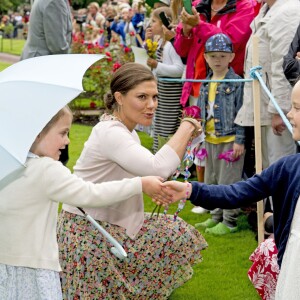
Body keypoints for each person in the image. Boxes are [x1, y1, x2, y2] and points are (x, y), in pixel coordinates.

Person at [58, 63, 207, 299]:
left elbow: (152, 172)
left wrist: (150, 186)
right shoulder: (110, 132)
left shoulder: (127, 132)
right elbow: (158, 167)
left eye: (155, 97)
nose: (151, 105)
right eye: (142, 97)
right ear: (119, 97)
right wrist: (187, 125)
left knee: (174, 233)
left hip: (110, 225)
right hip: (88, 230)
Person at [0, 106, 172, 300]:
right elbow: (92, 193)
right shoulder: (47, 169)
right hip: (35, 268)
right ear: (39, 133)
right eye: (63, 133)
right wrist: (139, 183)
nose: (67, 141)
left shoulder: (7, 166)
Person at [162, 78, 300, 299]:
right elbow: (237, 193)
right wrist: (190, 190)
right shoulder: (288, 168)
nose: (290, 114)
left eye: (297, 108)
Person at [235, 0, 300, 170]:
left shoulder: (288, 10)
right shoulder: (267, 10)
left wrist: (280, 109)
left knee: (280, 167)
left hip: (280, 110)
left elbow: (283, 64)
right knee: (267, 169)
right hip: (264, 106)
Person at [193, 33, 245, 235]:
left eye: (222, 56)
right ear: (205, 57)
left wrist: (240, 140)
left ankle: (229, 221)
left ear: (231, 57)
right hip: (210, 139)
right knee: (212, 180)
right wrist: (198, 138)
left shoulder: (236, 82)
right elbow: (200, 112)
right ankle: (215, 216)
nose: (217, 60)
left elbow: (242, 113)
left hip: (230, 140)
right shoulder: (206, 82)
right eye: (213, 56)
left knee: (228, 181)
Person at [20, 0, 73, 166]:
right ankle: (53, 165)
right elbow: (58, 46)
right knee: (51, 121)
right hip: (45, 69)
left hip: (39, 67)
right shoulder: (54, 2)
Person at [146, 7, 184, 152]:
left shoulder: (170, 46)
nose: (151, 25)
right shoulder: (161, 42)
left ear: (163, 23)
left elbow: (179, 70)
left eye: (154, 21)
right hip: (163, 92)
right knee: (160, 126)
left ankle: (167, 158)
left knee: (167, 127)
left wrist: (157, 65)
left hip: (171, 95)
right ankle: (159, 155)